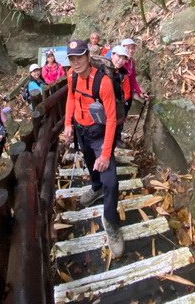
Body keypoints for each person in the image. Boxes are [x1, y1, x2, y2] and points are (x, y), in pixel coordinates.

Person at [63, 39, 124, 258]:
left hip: (100, 134)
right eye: (72, 59)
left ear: (88, 56)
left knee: (112, 180)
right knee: (90, 164)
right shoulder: (71, 76)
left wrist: (106, 153)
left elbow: (111, 119)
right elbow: (70, 97)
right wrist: (68, 124)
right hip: (81, 131)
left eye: (80, 57)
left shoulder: (103, 82)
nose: (76, 62)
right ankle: (95, 187)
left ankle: (110, 221)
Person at [109, 45, 132, 148]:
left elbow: (127, 91)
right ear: (112, 55)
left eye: (124, 58)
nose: (121, 60)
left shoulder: (123, 74)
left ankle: (116, 139)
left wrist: (121, 103)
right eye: (119, 56)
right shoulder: (102, 70)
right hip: (103, 104)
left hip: (117, 104)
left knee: (118, 123)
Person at [121, 38, 150, 104]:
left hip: (128, 93)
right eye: (127, 48)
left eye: (132, 48)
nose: (130, 50)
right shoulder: (120, 64)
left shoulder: (132, 62)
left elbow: (132, 79)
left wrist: (139, 92)